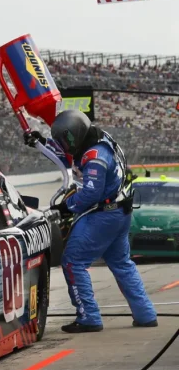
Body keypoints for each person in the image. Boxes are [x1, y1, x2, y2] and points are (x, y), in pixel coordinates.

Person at [24, 110, 157, 333]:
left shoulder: (95, 156)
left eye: (66, 140)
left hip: (104, 215)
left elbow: (91, 194)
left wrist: (67, 205)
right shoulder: (96, 138)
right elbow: (66, 153)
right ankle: (145, 314)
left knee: (72, 262)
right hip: (120, 213)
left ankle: (89, 317)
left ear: (76, 134)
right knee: (122, 263)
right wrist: (41, 142)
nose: (64, 146)